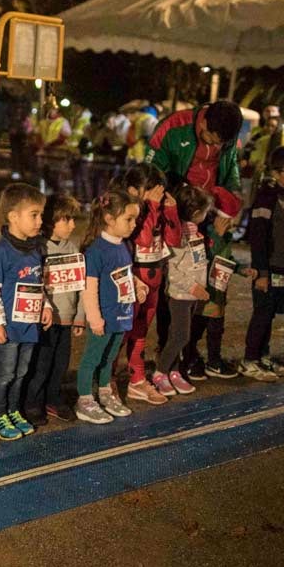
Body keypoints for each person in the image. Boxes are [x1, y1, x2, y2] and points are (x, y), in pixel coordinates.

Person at [0, 183, 54, 440]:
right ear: (14, 216)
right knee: (4, 373)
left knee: (22, 372)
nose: (40, 221)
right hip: (9, 327)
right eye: (34, 215)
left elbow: (39, 284)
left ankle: (13, 410)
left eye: (41, 215)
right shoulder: (1, 253)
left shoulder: (37, 249)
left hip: (29, 326)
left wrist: (45, 306)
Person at [75, 189, 143, 423]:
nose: (134, 224)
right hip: (103, 319)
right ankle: (84, 400)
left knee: (110, 358)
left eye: (135, 219)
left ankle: (105, 393)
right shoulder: (96, 251)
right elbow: (89, 288)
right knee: (92, 358)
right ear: (109, 219)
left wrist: (138, 285)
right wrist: (94, 318)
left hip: (122, 315)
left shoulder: (123, 246)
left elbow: (124, 274)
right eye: (129, 219)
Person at [241, 146, 284, 381]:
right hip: (267, 268)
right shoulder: (267, 198)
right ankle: (250, 359)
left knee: (271, 314)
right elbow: (257, 238)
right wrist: (261, 271)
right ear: (276, 173)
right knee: (262, 313)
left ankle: (263, 354)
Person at [120, 164, 178, 405]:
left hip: (154, 280)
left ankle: (137, 380)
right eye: (150, 191)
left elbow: (174, 239)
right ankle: (107, 382)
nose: (156, 195)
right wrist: (152, 206)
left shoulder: (157, 208)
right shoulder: (129, 213)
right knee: (121, 334)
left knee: (141, 332)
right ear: (134, 190)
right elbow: (143, 238)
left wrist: (171, 210)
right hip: (135, 280)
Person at [24, 194, 83, 423]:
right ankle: (33, 401)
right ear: (51, 221)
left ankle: (53, 398)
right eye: (66, 220)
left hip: (66, 318)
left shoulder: (73, 247)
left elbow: (80, 286)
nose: (72, 225)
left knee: (61, 363)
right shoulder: (39, 248)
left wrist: (80, 316)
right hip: (46, 320)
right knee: (41, 364)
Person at [153, 185, 214, 396]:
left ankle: (175, 370)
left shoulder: (195, 234)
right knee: (180, 336)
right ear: (196, 213)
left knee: (181, 335)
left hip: (191, 295)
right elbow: (172, 270)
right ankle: (160, 372)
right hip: (181, 295)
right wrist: (193, 287)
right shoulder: (178, 235)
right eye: (205, 212)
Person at [181, 186, 246, 381]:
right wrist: (217, 235)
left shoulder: (225, 235)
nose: (231, 225)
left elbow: (226, 257)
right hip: (204, 291)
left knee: (217, 328)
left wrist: (241, 269)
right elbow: (206, 257)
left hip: (219, 291)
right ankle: (190, 358)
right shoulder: (207, 234)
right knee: (197, 327)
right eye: (228, 220)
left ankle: (214, 361)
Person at [146, 100, 244, 193]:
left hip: (210, 203)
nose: (215, 146)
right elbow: (151, 167)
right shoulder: (173, 125)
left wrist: (234, 191)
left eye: (219, 143)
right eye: (211, 140)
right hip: (178, 200)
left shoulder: (229, 133)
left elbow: (231, 163)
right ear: (204, 124)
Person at [243, 105, 284, 185]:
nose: (270, 114)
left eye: (273, 111)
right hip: (258, 172)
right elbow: (249, 147)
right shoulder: (260, 133)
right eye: (268, 111)